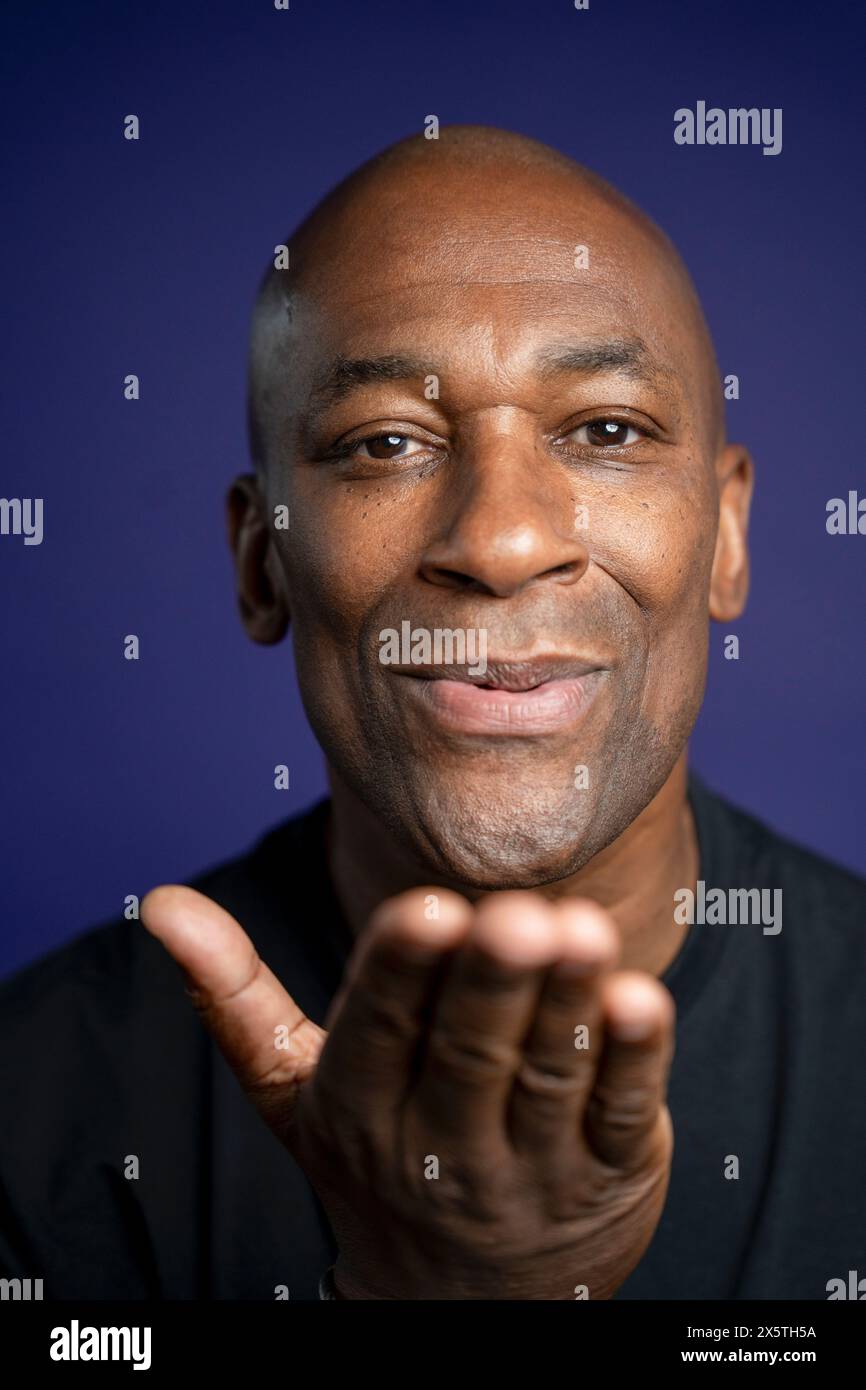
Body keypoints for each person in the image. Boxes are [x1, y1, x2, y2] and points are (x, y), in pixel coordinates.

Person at [1, 126, 864, 1301]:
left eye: (604, 430)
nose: (501, 541)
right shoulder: (32, 1113)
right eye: (385, 444)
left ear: (724, 537)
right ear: (262, 564)